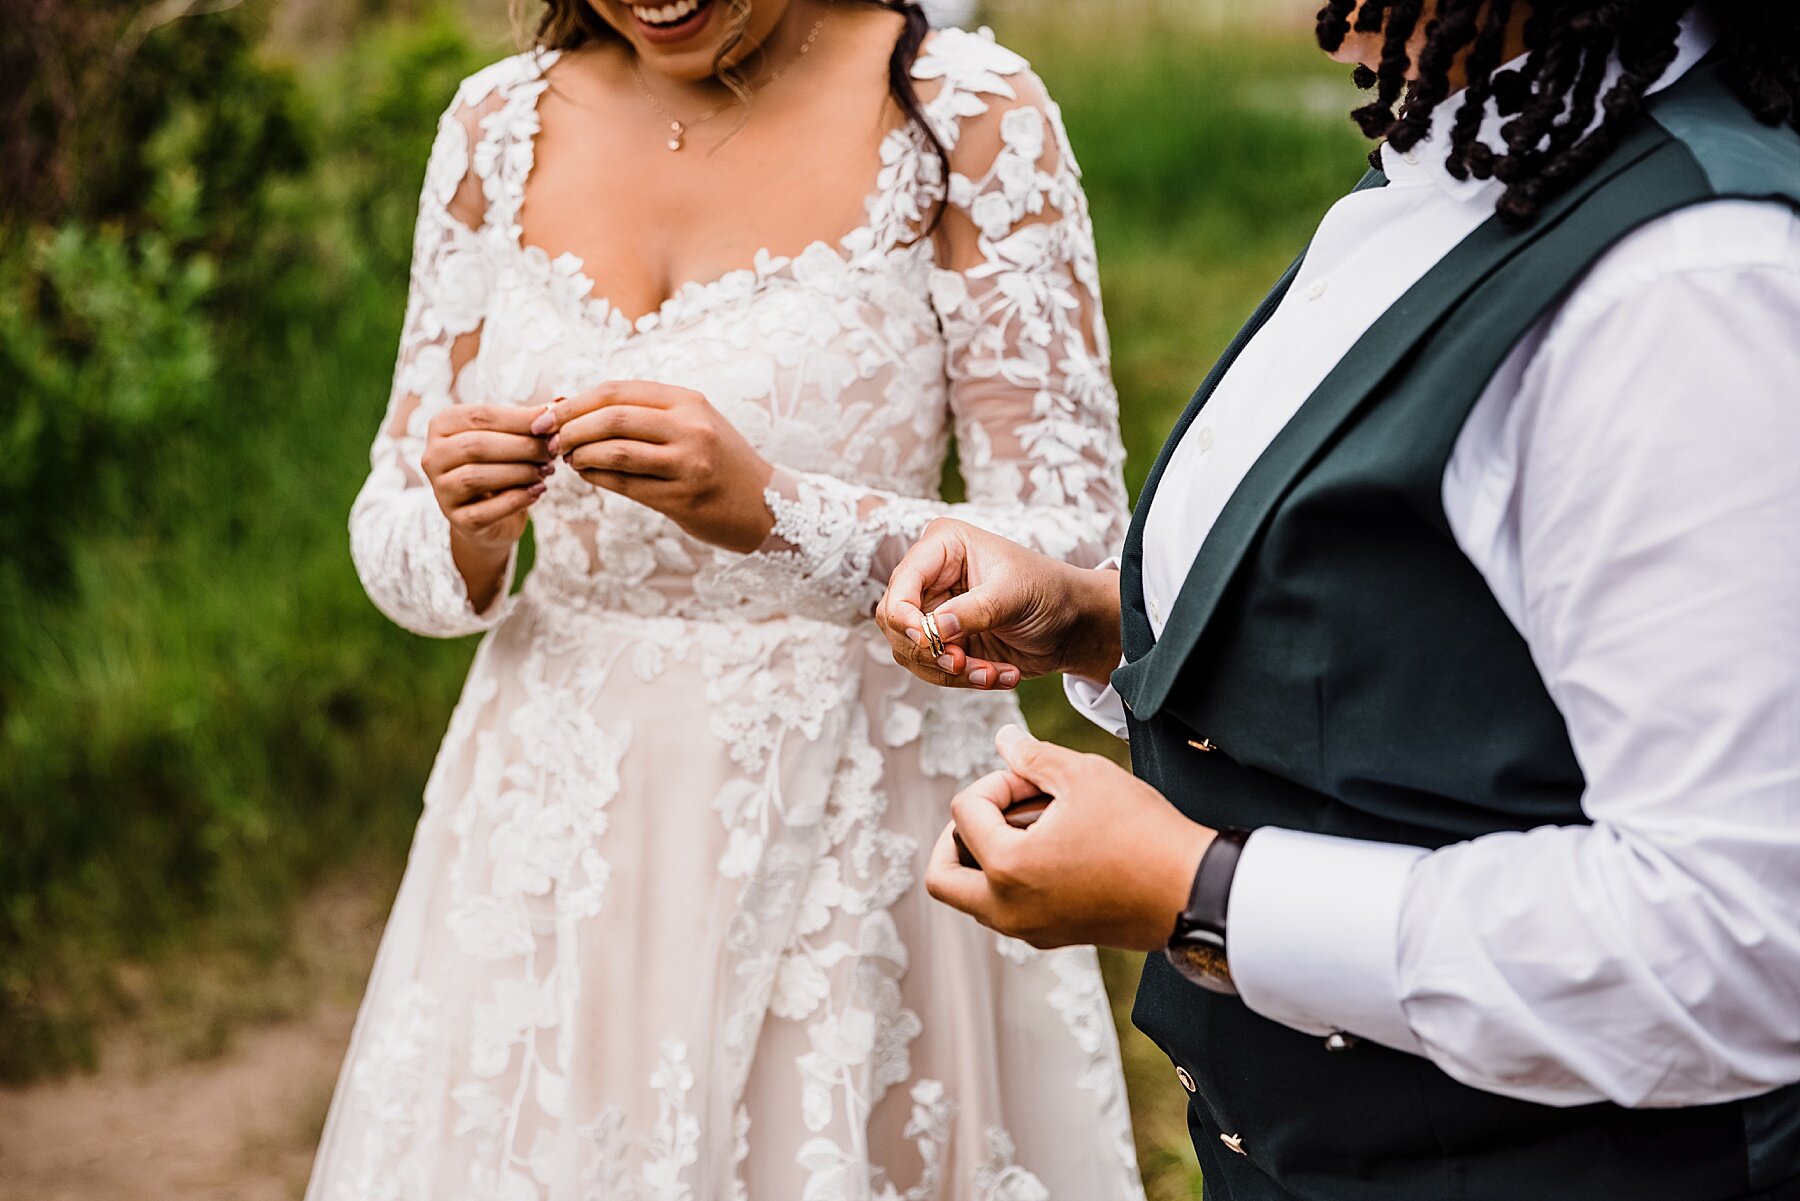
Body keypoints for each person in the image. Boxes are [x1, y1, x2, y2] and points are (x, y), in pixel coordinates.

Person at [876, 2, 1800, 1198]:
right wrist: (1099, 620)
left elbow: (1736, 939)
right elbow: (1453, 634)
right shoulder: (1465, 163)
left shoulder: (1686, 285)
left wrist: (1198, 891)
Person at [306, 0, 1148, 1197]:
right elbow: (395, 531)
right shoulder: (496, 123)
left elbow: (1078, 551)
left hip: (858, 826)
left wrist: (775, 510)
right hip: (550, 834)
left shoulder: (966, 114)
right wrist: (465, 526)